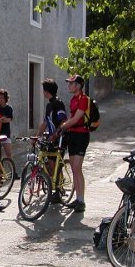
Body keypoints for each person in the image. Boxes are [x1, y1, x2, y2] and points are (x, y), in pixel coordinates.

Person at [59, 75, 90, 213]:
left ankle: (81, 200)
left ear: (78, 85)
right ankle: (78, 199)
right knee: (74, 168)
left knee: (77, 168)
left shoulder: (84, 99)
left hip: (81, 135)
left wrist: (63, 126)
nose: (69, 85)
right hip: (73, 134)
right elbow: (71, 118)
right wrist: (64, 127)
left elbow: (76, 118)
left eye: (71, 83)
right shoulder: (73, 100)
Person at [0, 88, 19, 179]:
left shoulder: (9, 108)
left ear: (6, 98)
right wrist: (2, 119)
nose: (0, 99)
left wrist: (1, 119)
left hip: (5, 134)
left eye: (2, 97)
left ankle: (14, 173)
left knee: (9, 154)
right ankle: (0, 174)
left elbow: (9, 119)